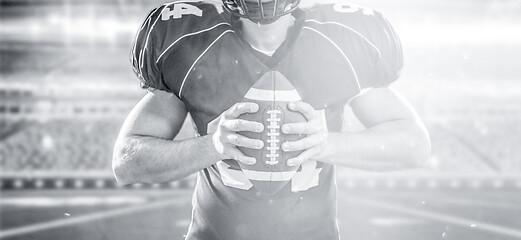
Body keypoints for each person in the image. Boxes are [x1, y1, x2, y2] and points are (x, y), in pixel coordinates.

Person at [112, 0, 431, 239]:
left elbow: (415, 145)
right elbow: (126, 161)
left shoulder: (339, 44)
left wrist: (326, 144)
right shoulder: (192, 45)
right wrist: (213, 146)